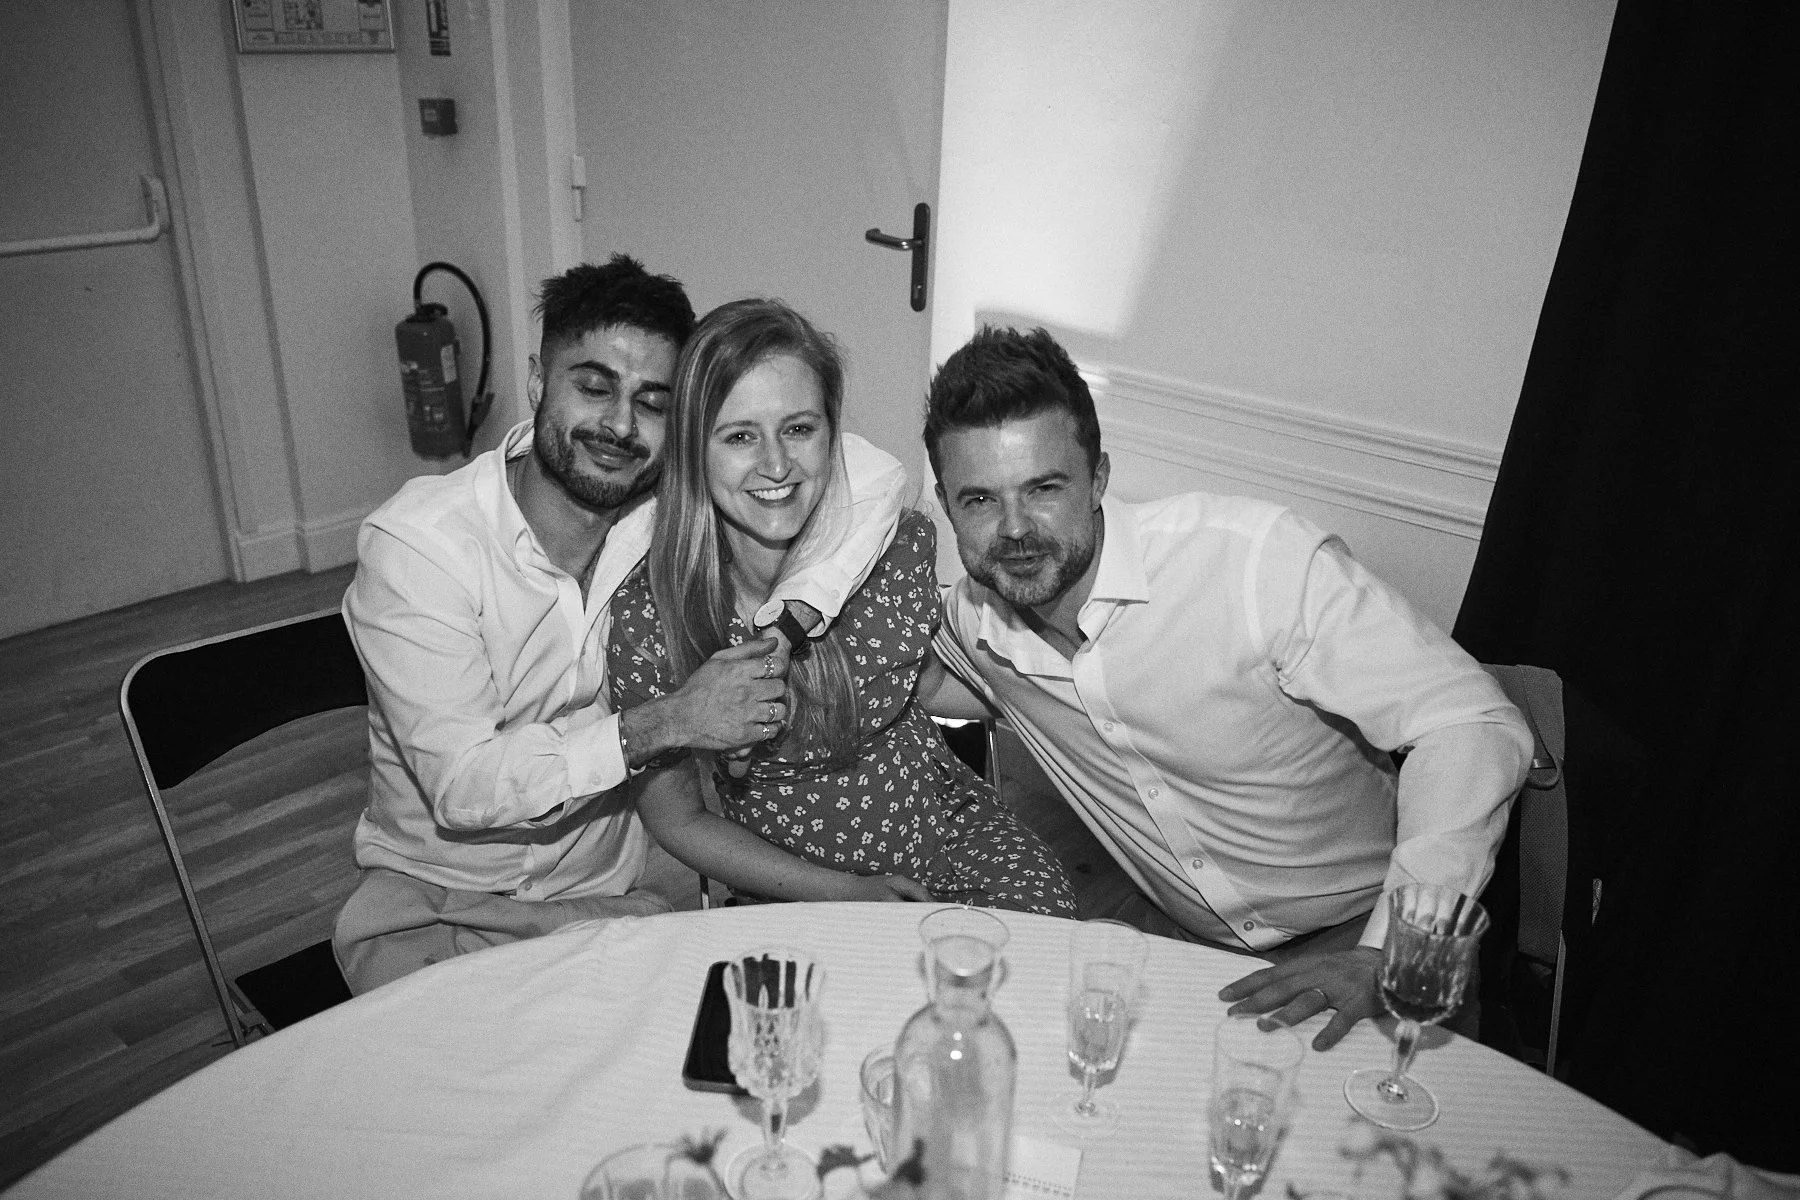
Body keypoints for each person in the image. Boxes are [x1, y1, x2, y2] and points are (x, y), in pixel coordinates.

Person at [921, 326, 1531, 1049]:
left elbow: (1471, 723)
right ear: (946, 504)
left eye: (1044, 488)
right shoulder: (973, 626)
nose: (1015, 528)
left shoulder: (1253, 565)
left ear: (1100, 478)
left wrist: (1393, 947)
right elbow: (898, 679)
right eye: (980, 500)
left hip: (1361, 931)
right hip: (1186, 950)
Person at [334, 256, 907, 993]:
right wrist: (669, 721)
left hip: (604, 904)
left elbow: (876, 474)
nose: (620, 425)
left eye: (653, 403)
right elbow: (465, 787)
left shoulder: (665, 522)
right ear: (540, 383)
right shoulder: (421, 548)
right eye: (594, 386)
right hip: (433, 906)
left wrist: (794, 620)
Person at [607, 299, 1077, 915]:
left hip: (944, 832)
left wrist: (1079, 700)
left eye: (799, 429)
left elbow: (922, 683)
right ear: (694, 449)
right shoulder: (654, 615)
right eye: (740, 436)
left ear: (835, 435)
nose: (776, 464)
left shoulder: (897, 549)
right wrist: (851, 893)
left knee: (1044, 944)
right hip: (791, 881)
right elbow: (682, 822)